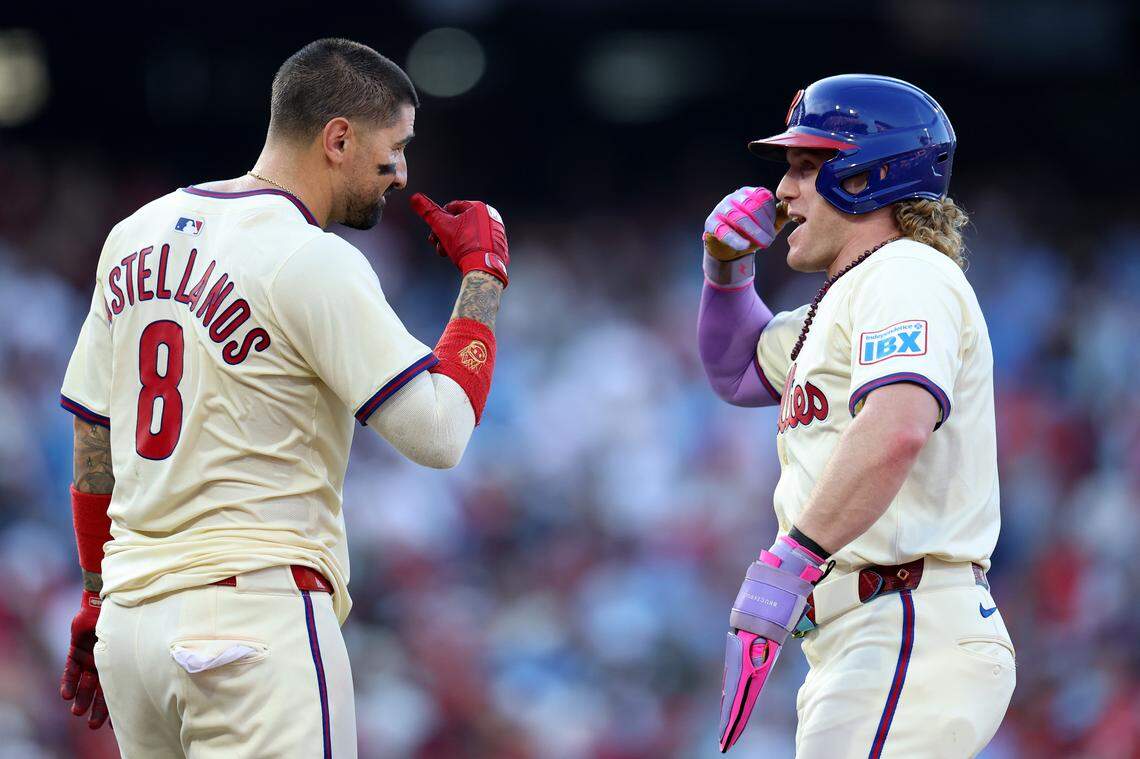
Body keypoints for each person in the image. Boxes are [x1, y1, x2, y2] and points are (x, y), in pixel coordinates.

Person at [57, 38, 509, 758]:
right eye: (395, 147)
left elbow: (91, 440)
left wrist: (94, 590)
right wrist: (484, 279)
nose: (402, 174)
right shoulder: (311, 256)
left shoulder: (132, 234)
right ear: (338, 139)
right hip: (252, 619)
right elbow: (439, 433)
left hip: (132, 627)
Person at [698, 74, 1015, 757]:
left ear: (867, 175)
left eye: (806, 166)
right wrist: (725, 272)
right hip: (867, 633)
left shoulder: (905, 271)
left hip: (908, 619)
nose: (782, 191)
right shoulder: (846, 296)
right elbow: (736, 371)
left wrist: (794, 556)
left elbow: (898, 425)